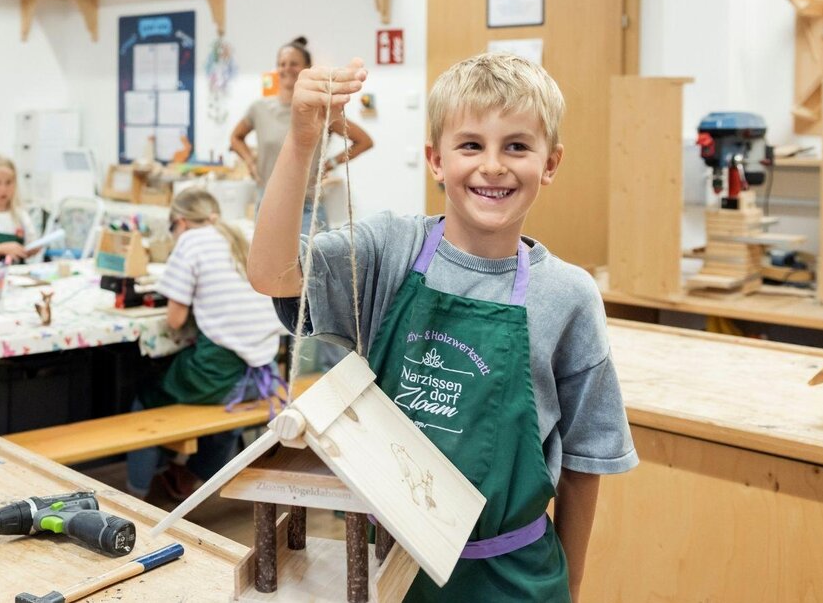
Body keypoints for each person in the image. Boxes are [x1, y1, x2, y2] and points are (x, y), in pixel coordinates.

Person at [248, 53, 638, 602]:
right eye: (471, 145)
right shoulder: (390, 251)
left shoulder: (567, 297)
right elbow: (271, 274)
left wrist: (569, 588)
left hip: (514, 580)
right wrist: (301, 142)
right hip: (389, 572)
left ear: (551, 163)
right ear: (435, 159)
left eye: (518, 146)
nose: (494, 165)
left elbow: (583, 463)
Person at [125, 188, 286, 501]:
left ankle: (134, 497)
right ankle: (188, 476)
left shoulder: (191, 241)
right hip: (264, 375)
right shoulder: (241, 233)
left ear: (181, 222)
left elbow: (173, 320)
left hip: (221, 376)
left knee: (144, 399)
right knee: (224, 413)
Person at [230, 36, 373, 235]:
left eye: (294, 64)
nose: (287, 68)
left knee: (310, 265)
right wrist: (250, 161)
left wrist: (329, 164)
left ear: (307, 67)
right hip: (266, 203)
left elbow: (364, 141)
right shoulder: (259, 109)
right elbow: (235, 137)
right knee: (267, 265)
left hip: (306, 206)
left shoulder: (320, 110)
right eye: (282, 64)